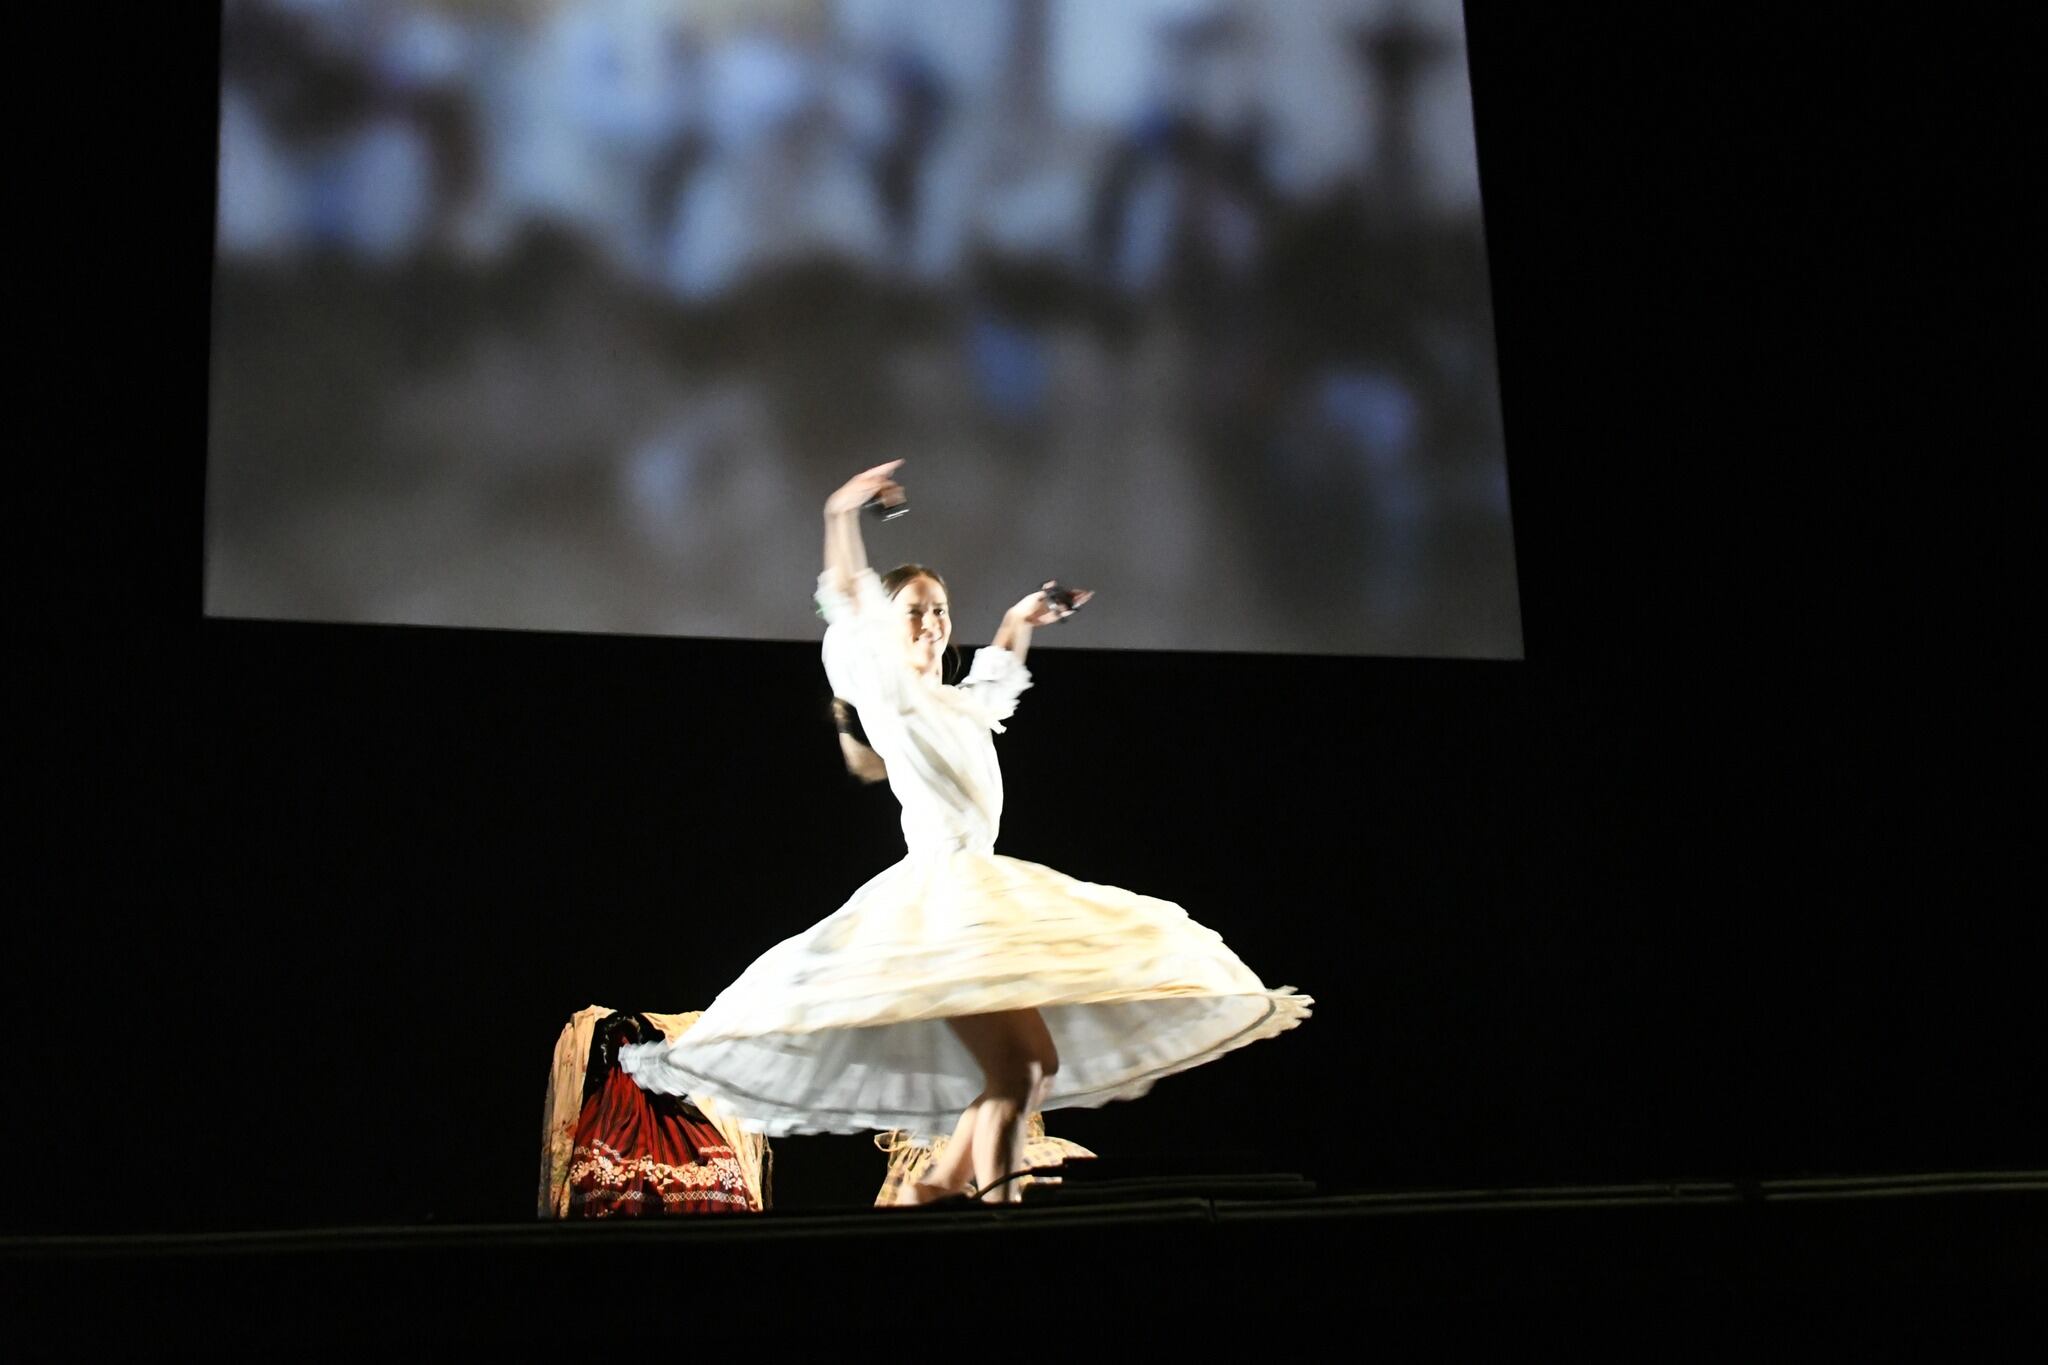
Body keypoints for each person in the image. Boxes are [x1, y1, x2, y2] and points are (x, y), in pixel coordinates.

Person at [621, 461, 1309, 1204]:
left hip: (983, 888)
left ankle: (936, 1188)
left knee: (1032, 1068)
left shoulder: (958, 704)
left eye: (940, 610)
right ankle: (995, 1204)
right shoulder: (887, 690)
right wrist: (841, 511)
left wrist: (1021, 618)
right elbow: (849, 597)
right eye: (915, 610)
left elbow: (997, 674)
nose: (932, 622)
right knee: (1018, 1072)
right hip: (942, 901)